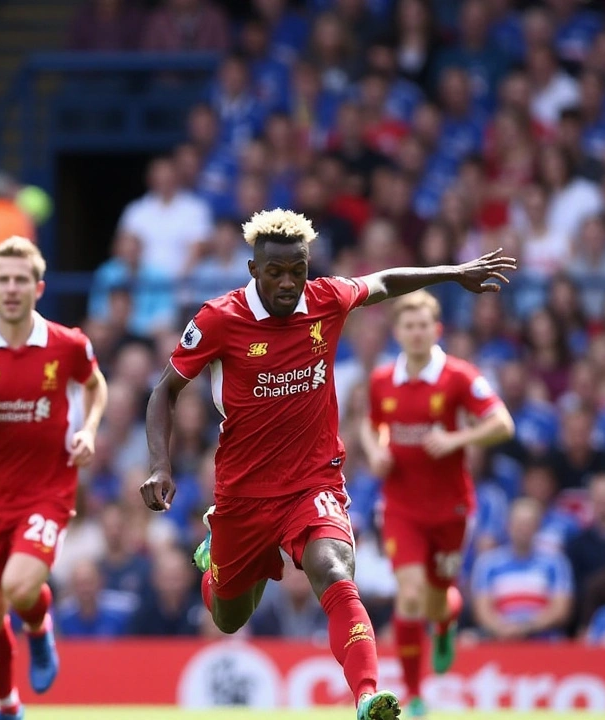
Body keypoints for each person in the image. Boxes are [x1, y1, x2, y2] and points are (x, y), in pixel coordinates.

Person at [141, 209, 516, 720]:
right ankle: (215, 557)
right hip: (244, 493)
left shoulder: (326, 300)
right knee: (229, 616)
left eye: (298, 269)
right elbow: (164, 391)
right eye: (275, 271)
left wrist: (453, 273)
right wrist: (161, 465)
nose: (288, 282)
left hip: (313, 482)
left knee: (335, 569)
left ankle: (367, 695)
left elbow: (383, 280)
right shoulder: (218, 319)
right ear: (253, 269)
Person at [0, 236, 108, 720]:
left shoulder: (67, 343)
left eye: (20, 280)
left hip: (48, 489)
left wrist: (89, 430)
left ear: (38, 287)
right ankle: (7, 704)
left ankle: (38, 625)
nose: (11, 288)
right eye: (3, 280)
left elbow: (96, 386)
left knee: (18, 586)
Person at [360, 290, 515, 718]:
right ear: (397, 332)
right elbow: (369, 427)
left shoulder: (460, 377)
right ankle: (414, 697)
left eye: (422, 325)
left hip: (450, 509)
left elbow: (503, 423)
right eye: (407, 326)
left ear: (436, 329)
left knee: (435, 600)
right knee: (408, 597)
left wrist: (456, 439)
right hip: (400, 507)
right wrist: (375, 451)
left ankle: (445, 621)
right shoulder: (381, 381)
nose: (415, 332)